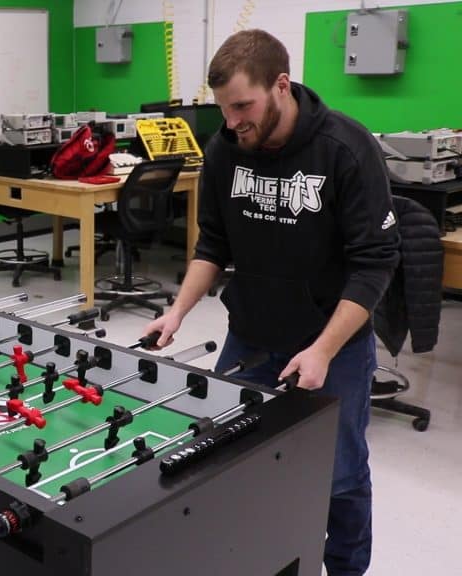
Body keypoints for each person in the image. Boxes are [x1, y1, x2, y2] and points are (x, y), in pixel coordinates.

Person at [143, 30, 399, 576]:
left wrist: (323, 350)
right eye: (224, 109)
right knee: (227, 456)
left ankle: (346, 570)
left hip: (334, 346)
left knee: (341, 475)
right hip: (250, 336)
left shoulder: (346, 150)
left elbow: (375, 263)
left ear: (280, 86)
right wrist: (178, 311)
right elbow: (213, 243)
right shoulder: (223, 150)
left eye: (243, 106)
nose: (233, 122)